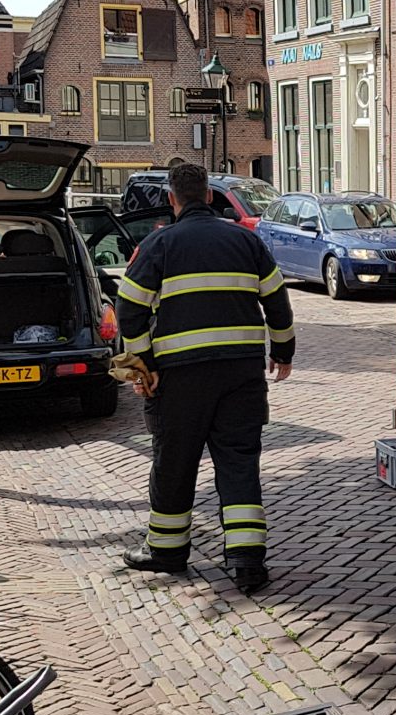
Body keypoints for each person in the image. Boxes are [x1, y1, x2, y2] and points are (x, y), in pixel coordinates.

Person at [113, 163, 294, 592]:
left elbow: (128, 309)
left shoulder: (159, 244)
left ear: (173, 200)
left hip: (179, 381)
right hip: (241, 376)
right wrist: (282, 352)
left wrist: (144, 365)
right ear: (210, 197)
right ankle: (248, 561)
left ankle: (167, 552)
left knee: (175, 463)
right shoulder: (245, 241)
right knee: (239, 463)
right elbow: (278, 301)